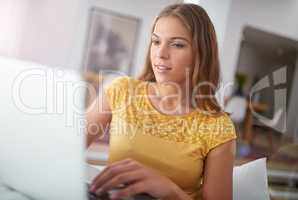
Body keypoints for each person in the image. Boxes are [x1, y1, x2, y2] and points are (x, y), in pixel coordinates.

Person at [86, 3, 237, 200]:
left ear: (201, 52)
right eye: (156, 42)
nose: (161, 53)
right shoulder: (121, 90)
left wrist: (169, 190)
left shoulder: (218, 128)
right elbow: (66, 145)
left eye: (177, 44)